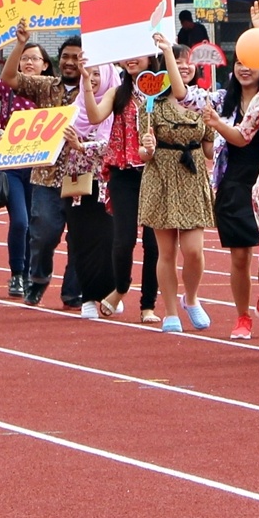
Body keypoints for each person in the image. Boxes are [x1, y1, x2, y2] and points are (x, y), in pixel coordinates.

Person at [0, 24, 85, 307]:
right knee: (43, 233)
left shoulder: (97, 88)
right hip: (47, 174)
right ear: (58, 60)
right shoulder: (46, 87)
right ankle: (38, 278)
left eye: (77, 57)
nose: (70, 62)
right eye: (66, 56)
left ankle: (73, 291)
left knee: (81, 237)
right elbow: (9, 77)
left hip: (84, 175)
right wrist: (20, 44)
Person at [138, 33, 216, 333]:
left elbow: (210, 149)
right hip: (161, 176)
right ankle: (170, 311)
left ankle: (191, 298)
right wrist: (147, 146)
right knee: (166, 252)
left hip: (193, 174)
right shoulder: (151, 105)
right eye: (178, 61)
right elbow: (144, 154)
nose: (184, 67)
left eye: (188, 62)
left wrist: (220, 131)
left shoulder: (203, 100)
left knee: (194, 250)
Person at [0, 43, 52, 297]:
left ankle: (29, 274)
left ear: (45, 64)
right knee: (20, 221)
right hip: (11, 164)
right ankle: (17, 274)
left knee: (36, 225)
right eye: (24, 58)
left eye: (35, 59)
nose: (29, 63)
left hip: (40, 166)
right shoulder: (9, 86)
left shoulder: (52, 90)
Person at [84, 53, 162, 323]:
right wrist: (86, 82)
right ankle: (120, 287)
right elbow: (95, 116)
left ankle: (148, 305)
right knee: (123, 240)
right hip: (123, 172)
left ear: (151, 58)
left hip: (156, 174)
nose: (132, 60)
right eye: (127, 55)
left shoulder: (162, 90)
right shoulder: (118, 92)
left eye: (137, 55)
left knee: (154, 244)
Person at [203, 55, 259, 340]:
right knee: (240, 256)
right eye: (239, 63)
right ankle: (242, 315)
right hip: (233, 184)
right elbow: (185, 95)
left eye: (252, 62)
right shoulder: (222, 102)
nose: (245, 68)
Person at [64, 62, 119, 320]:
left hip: (108, 184)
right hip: (77, 184)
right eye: (89, 73)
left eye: (98, 73)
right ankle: (87, 297)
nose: (93, 78)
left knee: (108, 240)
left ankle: (109, 290)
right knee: (80, 240)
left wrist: (81, 144)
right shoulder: (73, 109)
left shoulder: (115, 107)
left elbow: (110, 145)